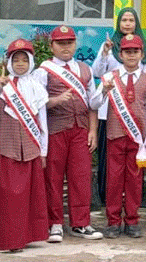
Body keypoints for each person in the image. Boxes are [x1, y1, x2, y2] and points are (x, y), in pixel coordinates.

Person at [35, 25, 102, 242]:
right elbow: (35, 103)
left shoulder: (85, 69)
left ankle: (81, 223)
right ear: (51, 46)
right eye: (61, 43)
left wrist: (93, 130)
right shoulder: (43, 71)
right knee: (53, 177)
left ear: (75, 44)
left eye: (70, 43)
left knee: (81, 177)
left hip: (80, 129)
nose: (66, 47)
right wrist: (55, 100)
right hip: (55, 130)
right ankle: (54, 223)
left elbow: (92, 103)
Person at [0, 39, 50, 252]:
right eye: (16, 60)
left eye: (24, 60)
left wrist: (43, 150)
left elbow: (42, 122)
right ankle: (5, 240)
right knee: (8, 197)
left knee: (28, 198)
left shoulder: (37, 87)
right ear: (9, 62)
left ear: (31, 62)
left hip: (31, 149)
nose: (20, 64)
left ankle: (24, 237)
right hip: (7, 147)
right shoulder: (1, 85)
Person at [89, 33, 146, 239]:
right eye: (127, 52)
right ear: (120, 54)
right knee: (114, 180)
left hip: (138, 139)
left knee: (135, 180)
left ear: (142, 54)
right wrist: (104, 91)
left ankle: (132, 220)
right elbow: (93, 103)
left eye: (135, 51)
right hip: (115, 135)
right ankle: (113, 221)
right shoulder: (110, 77)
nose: (131, 55)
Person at [92, 8, 146, 204]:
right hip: (112, 116)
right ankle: (109, 205)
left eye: (131, 20)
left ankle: (132, 211)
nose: (127, 23)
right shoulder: (109, 47)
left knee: (134, 172)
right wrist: (105, 53)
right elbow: (97, 73)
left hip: (137, 121)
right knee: (112, 169)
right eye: (124, 20)